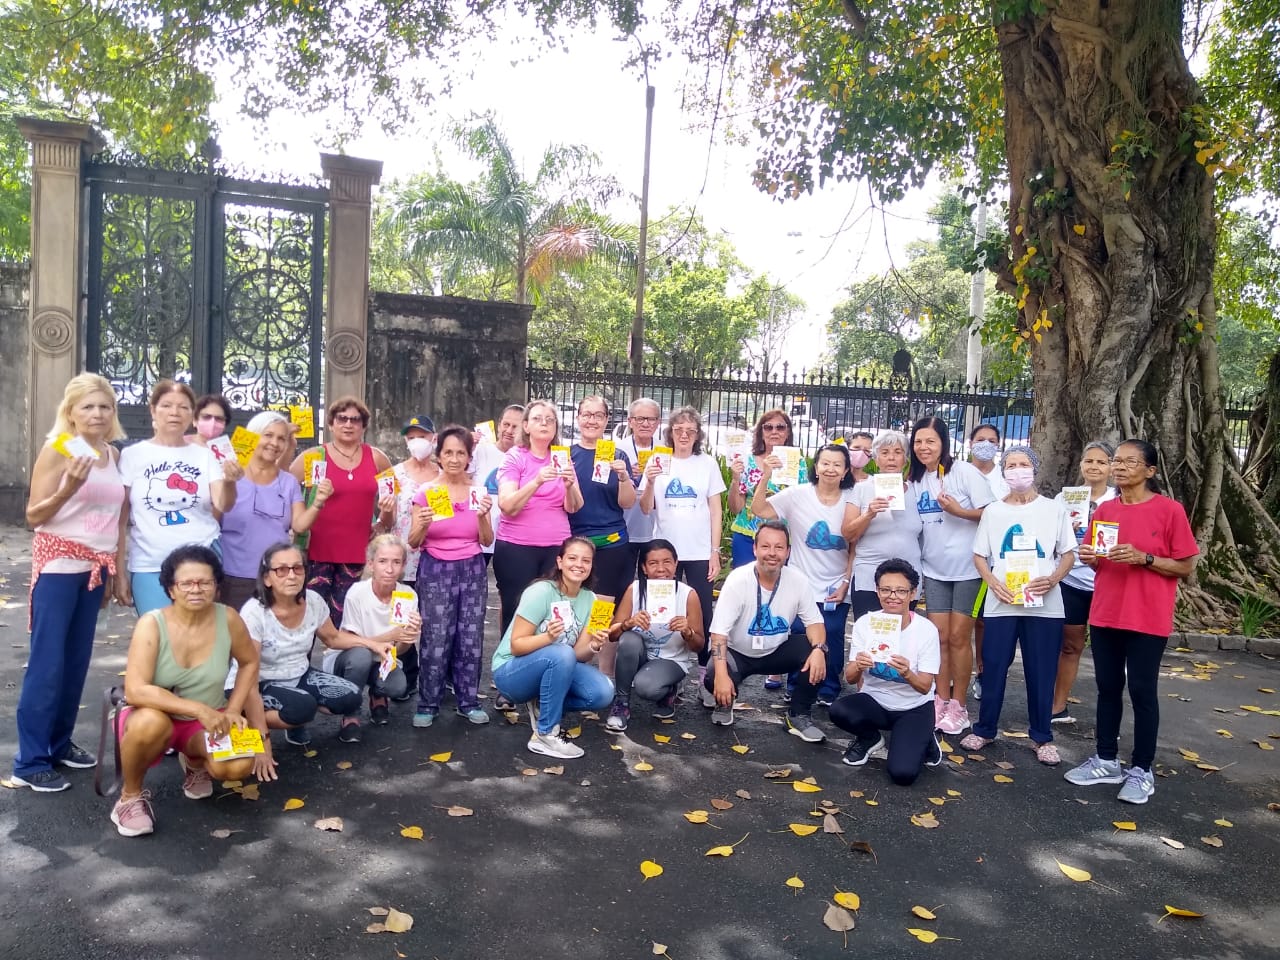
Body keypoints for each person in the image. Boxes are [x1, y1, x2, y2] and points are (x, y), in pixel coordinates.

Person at [1065, 439, 1199, 805]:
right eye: (1116, 462)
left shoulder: (1169, 511)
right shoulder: (1105, 509)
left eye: (1129, 462)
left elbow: (1186, 565)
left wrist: (1146, 558)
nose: (1120, 467)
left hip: (1147, 616)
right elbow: (1098, 559)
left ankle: (1142, 770)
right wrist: (1090, 556)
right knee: (1107, 688)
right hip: (1107, 612)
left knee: (1142, 691)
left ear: (1150, 471)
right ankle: (1106, 760)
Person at [11, 374, 127, 792]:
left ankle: (59, 744)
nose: (97, 414)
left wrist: (117, 571)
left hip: (94, 572)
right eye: (88, 407)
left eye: (104, 406)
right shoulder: (59, 449)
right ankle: (29, 762)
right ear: (71, 412)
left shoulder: (112, 455)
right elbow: (33, 516)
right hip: (59, 567)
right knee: (47, 665)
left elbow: (118, 519)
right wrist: (69, 488)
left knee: (76, 663)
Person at [109, 545, 262, 837]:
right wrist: (198, 710)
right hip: (152, 715)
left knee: (240, 764)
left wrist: (232, 710)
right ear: (171, 588)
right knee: (152, 724)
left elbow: (249, 661)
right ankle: (129, 798)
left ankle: (194, 762)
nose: (196, 589)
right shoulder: (151, 624)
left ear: (217, 586)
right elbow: (136, 689)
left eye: (205, 582)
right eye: (186, 583)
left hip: (209, 719)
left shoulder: (228, 618)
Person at [960, 446, 1077, 765]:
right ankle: (985, 729)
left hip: (1045, 604)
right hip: (1003, 601)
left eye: (1023, 464)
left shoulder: (1054, 510)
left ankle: (1042, 736)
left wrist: (1053, 579)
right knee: (994, 665)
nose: (1017, 470)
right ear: (1003, 472)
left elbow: (1068, 553)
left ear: (1035, 469)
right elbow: (979, 554)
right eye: (1010, 465)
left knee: (1041, 669)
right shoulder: (995, 512)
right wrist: (992, 582)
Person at [116, 380, 242, 614]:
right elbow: (120, 520)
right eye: (166, 405)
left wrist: (230, 481)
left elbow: (223, 503)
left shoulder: (205, 456)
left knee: (200, 636)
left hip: (201, 558)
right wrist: (119, 573)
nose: (175, 413)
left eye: (183, 407)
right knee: (159, 636)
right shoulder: (132, 456)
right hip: (149, 562)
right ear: (153, 410)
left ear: (191, 415)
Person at [749, 443, 857, 706]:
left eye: (837, 465)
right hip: (800, 582)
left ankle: (828, 688)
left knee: (831, 634)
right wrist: (766, 475)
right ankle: (796, 686)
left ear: (845, 471)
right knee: (798, 633)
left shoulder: (853, 498)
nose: (830, 469)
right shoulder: (797, 494)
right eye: (825, 463)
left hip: (835, 584)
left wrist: (846, 581)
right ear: (816, 467)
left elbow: (856, 546)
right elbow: (759, 509)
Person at [906, 415, 993, 736]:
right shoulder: (914, 480)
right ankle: (940, 700)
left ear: (943, 443)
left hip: (970, 569)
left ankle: (959, 705)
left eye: (930, 441)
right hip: (934, 570)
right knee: (939, 637)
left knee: (959, 637)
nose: (923, 447)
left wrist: (960, 512)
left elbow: (992, 512)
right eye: (918, 441)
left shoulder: (964, 472)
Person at [491, 536, 615, 760]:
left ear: (591, 566)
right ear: (559, 561)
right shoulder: (541, 591)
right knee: (561, 652)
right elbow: (517, 645)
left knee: (602, 692)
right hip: (511, 672)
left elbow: (578, 655)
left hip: (556, 662)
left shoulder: (593, 600)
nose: (579, 564)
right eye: (572, 558)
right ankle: (545, 734)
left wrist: (594, 645)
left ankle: (543, 704)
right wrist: (548, 637)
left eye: (586, 560)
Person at [703, 520, 828, 743]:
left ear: (788, 552)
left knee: (816, 651)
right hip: (737, 653)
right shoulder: (737, 581)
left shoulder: (798, 581)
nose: (772, 553)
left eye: (779, 547)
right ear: (755, 549)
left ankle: (798, 716)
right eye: (766, 546)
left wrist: (819, 648)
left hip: (775, 651)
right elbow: (719, 634)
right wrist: (722, 676)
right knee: (715, 673)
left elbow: (815, 623)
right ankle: (723, 702)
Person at [235, 542, 365, 747]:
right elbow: (248, 673)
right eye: (281, 570)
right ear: (267, 578)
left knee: (351, 697)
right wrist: (263, 742)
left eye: (297, 568)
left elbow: (333, 638)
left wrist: (374, 644)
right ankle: (247, 721)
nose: (292, 575)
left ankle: (295, 712)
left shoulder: (313, 600)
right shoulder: (254, 613)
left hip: (299, 674)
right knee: (303, 708)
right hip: (259, 680)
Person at [408, 426, 494, 728]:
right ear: (439, 456)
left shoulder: (478, 491)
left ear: (469, 456)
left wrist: (483, 515)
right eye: (449, 452)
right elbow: (414, 541)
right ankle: (428, 703)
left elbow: (486, 540)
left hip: (471, 568)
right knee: (436, 636)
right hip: (435, 568)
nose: (455, 458)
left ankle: (467, 701)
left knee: (470, 636)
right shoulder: (428, 492)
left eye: (461, 452)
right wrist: (423, 523)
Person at [831, 559, 944, 783]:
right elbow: (850, 678)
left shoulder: (926, 630)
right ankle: (869, 738)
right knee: (838, 710)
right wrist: (858, 665)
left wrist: (907, 673)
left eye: (901, 591)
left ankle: (925, 737)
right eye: (886, 590)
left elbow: (924, 687)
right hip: (876, 702)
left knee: (903, 774)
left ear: (913, 594)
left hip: (914, 707)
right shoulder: (866, 623)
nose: (893, 596)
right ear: (877, 591)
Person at [639, 406, 725, 690]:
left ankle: (704, 675)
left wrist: (715, 550)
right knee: (662, 612)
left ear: (698, 434)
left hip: (700, 551)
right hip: (665, 554)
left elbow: (715, 510)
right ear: (670, 433)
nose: (684, 435)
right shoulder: (658, 459)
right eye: (679, 430)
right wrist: (650, 480)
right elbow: (645, 506)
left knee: (703, 614)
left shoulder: (707, 463)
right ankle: (665, 670)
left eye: (690, 430)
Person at [287, 396, 395, 625]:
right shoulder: (313, 457)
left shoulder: (378, 458)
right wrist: (292, 523)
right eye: (342, 418)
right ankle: (301, 662)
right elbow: (284, 489)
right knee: (307, 617)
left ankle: (338, 662)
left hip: (357, 554)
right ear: (331, 424)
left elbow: (390, 514)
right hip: (315, 552)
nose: (348, 424)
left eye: (355, 420)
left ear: (363, 426)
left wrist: (382, 519)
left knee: (345, 620)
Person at [218, 411, 327, 611]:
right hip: (234, 575)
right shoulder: (229, 473)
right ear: (253, 435)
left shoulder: (288, 481)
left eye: (281, 439)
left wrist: (318, 502)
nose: (274, 443)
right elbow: (220, 508)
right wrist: (227, 482)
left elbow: (300, 524)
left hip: (277, 575)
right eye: (268, 435)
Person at [494, 400, 584, 638]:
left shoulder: (561, 456)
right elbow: (507, 505)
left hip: (555, 547)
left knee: (553, 610)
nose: (544, 423)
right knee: (516, 610)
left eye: (550, 419)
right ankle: (509, 667)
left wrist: (569, 485)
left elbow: (574, 507)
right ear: (525, 426)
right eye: (537, 419)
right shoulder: (515, 457)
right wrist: (536, 482)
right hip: (516, 547)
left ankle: (548, 665)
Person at [325, 535, 421, 740]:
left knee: (398, 687)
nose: (389, 569)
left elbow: (399, 649)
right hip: (350, 657)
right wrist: (390, 635)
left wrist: (408, 637)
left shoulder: (407, 595)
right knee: (361, 657)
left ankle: (378, 695)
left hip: (383, 659)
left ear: (404, 565)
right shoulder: (357, 592)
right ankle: (350, 715)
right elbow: (351, 642)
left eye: (396, 562)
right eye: (383, 561)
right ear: (371, 564)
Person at [605, 539, 705, 732]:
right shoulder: (634, 590)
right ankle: (621, 703)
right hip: (641, 657)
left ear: (676, 564)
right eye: (653, 563)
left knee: (646, 688)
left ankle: (668, 690)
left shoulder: (688, 595)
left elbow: (699, 646)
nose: (661, 569)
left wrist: (687, 632)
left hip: (671, 660)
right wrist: (629, 623)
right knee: (629, 639)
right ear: (643, 567)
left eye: (667, 562)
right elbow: (613, 635)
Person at [569, 395, 636, 678]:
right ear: (578, 418)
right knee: (572, 609)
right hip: (575, 545)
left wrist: (623, 477)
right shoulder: (566, 455)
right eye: (586, 414)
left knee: (603, 611)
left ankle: (605, 674)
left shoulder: (617, 455)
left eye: (598, 415)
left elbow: (628, 503)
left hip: (611, 545)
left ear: (607, 420)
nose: (591, 420)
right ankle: (572, 669)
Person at [1050, 441, 1117, 723]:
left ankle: (1110, 711)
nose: (1094, 467)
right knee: (1070, 644)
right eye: (1089, 461)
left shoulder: (1119, 499)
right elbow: (1049, 538)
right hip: (1071, 580)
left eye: (1101, 462)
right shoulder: (1065, 499)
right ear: (1081, 465)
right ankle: (1057, 705)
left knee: (1110, 650)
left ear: (1112, 467)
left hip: (1109, 582)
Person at [387, 414, 442, 699]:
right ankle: (404, 675)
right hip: (403, 559)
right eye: (411, 437)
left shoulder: (444, 474)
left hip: (435, 558)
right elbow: (385, 520)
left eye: (422, 436)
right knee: (402, 619)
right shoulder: (394, 474)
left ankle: (436, 678)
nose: (417, 442)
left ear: (434, 438)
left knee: (434, 620)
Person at [843, 430, 923, 619]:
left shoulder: (917, 491)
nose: (891, 458)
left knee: (902, 636)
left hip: (907, 578)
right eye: (885, 453)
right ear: (876, 459)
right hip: (869, 576)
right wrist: (869, 514)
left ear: (905, 459)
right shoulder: (862, 490)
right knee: (870, 635)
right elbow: (848, 533)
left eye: (898, 452)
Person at [727, 409, 807, 568]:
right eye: (768, 427)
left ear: (788, 432)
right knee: (746, 585)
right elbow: (736, 508)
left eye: (780, 427)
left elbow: (803, 502)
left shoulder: (797, 463)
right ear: (761, 432)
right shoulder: (747, 462)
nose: (774, 431)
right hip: (747, 535)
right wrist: (736, 480)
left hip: (781, 539)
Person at [966, 422, 1007, 703]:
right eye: (980, 439)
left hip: (994, 562)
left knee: (985, 623)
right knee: (958, 626)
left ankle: (983, 673)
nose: (986, 444)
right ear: (970, 443)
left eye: (992, 441)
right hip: (957, 560)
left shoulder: (1006, 480)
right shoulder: (957, 474)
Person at [472, 404, 523, 568]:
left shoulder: (525, 457)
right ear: (499, 424)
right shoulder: (480, 450)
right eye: (506, 424)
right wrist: (467, 445)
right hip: (479, 531)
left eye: (515, 427)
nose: (509, 430)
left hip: (510, 535)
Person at [617, 397, 661, 574]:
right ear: (630, 422)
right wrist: (626, 476)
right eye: (639, 419)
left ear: (658, 423)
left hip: (654, 528)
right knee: (622, 580)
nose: (645, 424)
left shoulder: (665, 450)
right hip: (624, 526)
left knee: (652, 581)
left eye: (651, 419)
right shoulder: (617, 449)